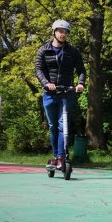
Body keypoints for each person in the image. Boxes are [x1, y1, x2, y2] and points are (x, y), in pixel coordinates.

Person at [35, 19, 86, 173]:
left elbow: (81, 70)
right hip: (49, 94)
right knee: (52, 127)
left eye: (65, 32)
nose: (63, 34)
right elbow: (38, 70)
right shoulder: (43, 50)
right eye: (60, 31)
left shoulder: (73, 51)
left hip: (66, 93)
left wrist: (80, 83)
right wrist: (46, 83)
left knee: (63, 125)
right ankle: (57, 156)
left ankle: (61, 158)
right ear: (54, 32)